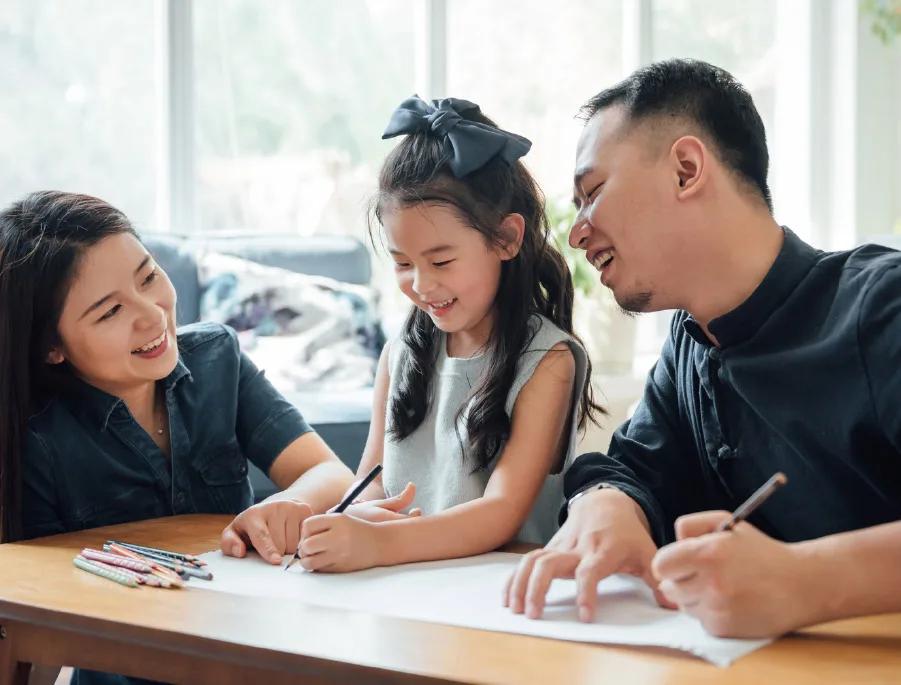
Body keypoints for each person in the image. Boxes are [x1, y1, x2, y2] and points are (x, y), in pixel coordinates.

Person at [503, 58, 901, 638]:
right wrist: (609, 502)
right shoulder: (689, 345)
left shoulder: (882, 306)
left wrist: (802, 580)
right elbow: (633, 468)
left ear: (686, 170)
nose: (577, 231)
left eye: (591, 193)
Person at [0, 191, 410, 685]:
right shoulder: (38, 439)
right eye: (110, 312)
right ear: (51, 347)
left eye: (148, 277)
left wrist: (290, 503)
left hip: (252, 651)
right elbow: (32, 620)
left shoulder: (217, 358)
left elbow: (326, 472)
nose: (151, 314)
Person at [294, 96, 603, 573]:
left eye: (440, 262)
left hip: (495, 598)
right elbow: (372, 480)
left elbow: (500, 514)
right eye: (401, 263)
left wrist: (379, 544)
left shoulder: (547, 360)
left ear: (506, 239)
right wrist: (349, 519)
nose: (420, 284)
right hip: (403, 590)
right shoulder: (400, 354)